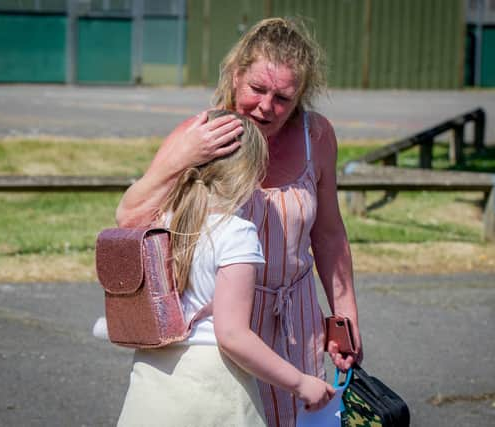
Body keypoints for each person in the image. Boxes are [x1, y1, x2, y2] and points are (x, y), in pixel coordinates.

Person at [115, 18, 363, 427]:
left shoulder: (315, 135)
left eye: (283, 97)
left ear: (301, 93)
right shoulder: (202, 133)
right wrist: (182, 157)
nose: (267, 107)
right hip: (227, 330)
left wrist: (345, 320)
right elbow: (129, 217)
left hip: (297, 320)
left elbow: (330, 234)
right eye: (257, 89)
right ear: (235, 76)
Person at [116, 110, 335, 427]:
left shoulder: (163, 221)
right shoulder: (237, 234)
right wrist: (300, 382)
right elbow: (232, 335)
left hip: (153, 379)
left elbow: (124, 212)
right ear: (253, 176)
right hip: (212, 385)